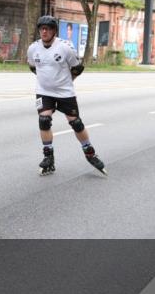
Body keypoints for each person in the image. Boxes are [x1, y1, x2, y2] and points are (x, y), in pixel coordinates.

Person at [28, 15, 106, 176]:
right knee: (44, 120)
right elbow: (33, 67)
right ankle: (48, 156)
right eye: (41, 28)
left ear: (54, 31)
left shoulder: (65, 47)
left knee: (76, 123)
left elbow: (77, 68)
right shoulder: (33, 48)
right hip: (44, 91)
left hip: (65, 92)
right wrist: (46, 80)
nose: (44, 31)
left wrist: (67, 80)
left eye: (48, 29)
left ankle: (89, 152)